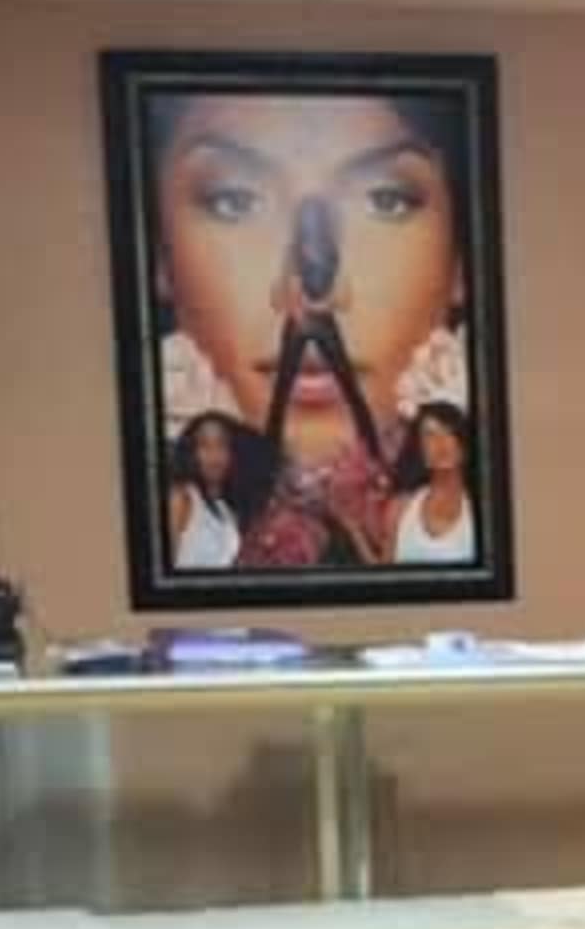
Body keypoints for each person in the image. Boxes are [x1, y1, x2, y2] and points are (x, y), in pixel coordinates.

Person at [144, 86, 475, 572]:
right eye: (234, 200)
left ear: (461, 266)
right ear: (162, 262)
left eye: (387, 200)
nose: (313, 288)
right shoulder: (195, 505)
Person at [165, 412, 266, 573]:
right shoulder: (181, 498)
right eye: (204, 445)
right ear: (191, 452)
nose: (214, 454)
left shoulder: (231, 509)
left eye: (222, 444)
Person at [386, 403, 479, 566]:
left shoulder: (484, 509)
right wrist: (353, 529)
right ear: (419, 448)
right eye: (430, 435)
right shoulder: (399, 509)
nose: (441, 443)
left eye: (449, 432)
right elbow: (383, 576)